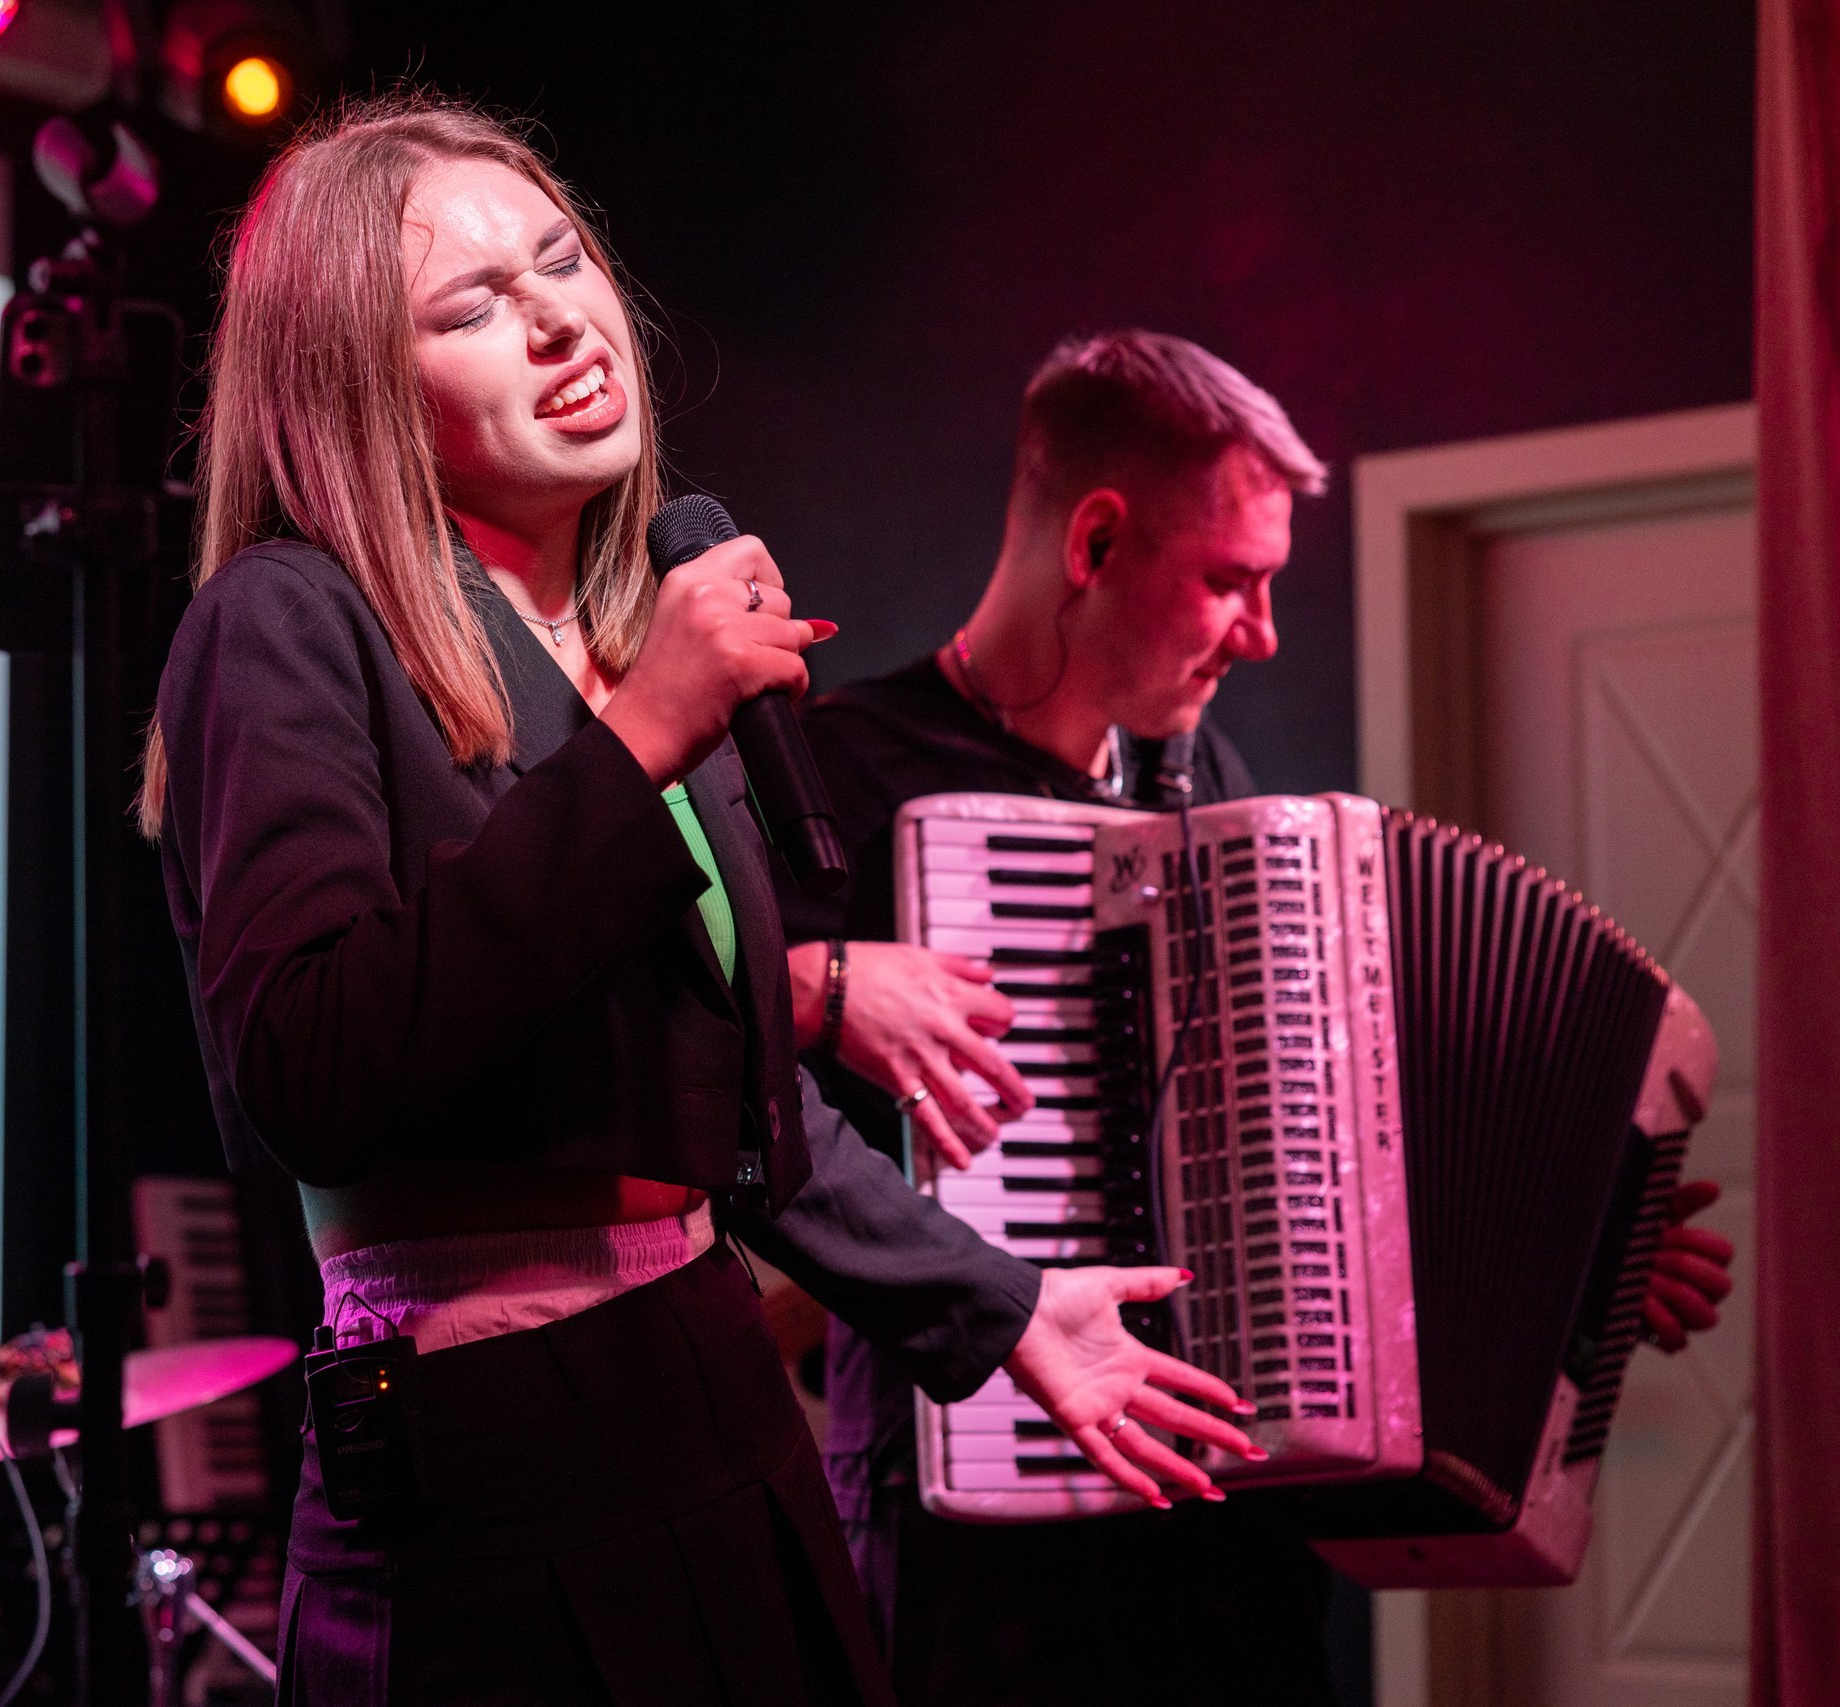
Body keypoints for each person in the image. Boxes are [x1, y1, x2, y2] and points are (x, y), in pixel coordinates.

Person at [140, 102, 1262, 1705]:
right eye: (467, 310)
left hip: (714, 1405)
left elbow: (734, 1114)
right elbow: (306, 1072)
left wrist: (1002, 1307)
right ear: (355, 388)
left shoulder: (621, 629)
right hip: (485, 1478)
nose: (556, 321)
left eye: (563, 260)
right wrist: (645, 734)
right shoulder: (285, 623)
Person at [775, 330, 1741, 1703]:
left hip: (1223, 1535)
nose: (1265, 634)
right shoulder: (837, 775)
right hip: (975, 1547)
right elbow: (691, 1091)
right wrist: (819, 994)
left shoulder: (1203, 777)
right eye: (1232, 581)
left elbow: (1316, 1148)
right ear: (1096, 544)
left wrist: (1582, 1246)